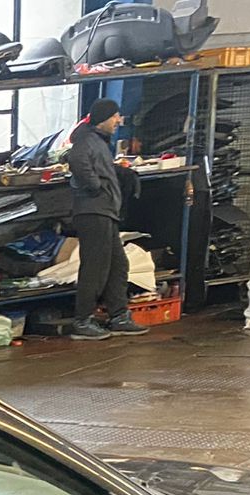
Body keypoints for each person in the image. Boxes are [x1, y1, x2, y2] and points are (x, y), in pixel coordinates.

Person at [68, 99, 147, 340]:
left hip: (104, 211)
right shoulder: (86, 140)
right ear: (102, 118)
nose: (118, 120)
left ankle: (119, 316)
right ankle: (82, 320)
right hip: (94, 211)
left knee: (117, 265)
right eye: (115, 116)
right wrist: (96, 186)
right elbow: (77, 162)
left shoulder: (98, 141)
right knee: (95, 268)